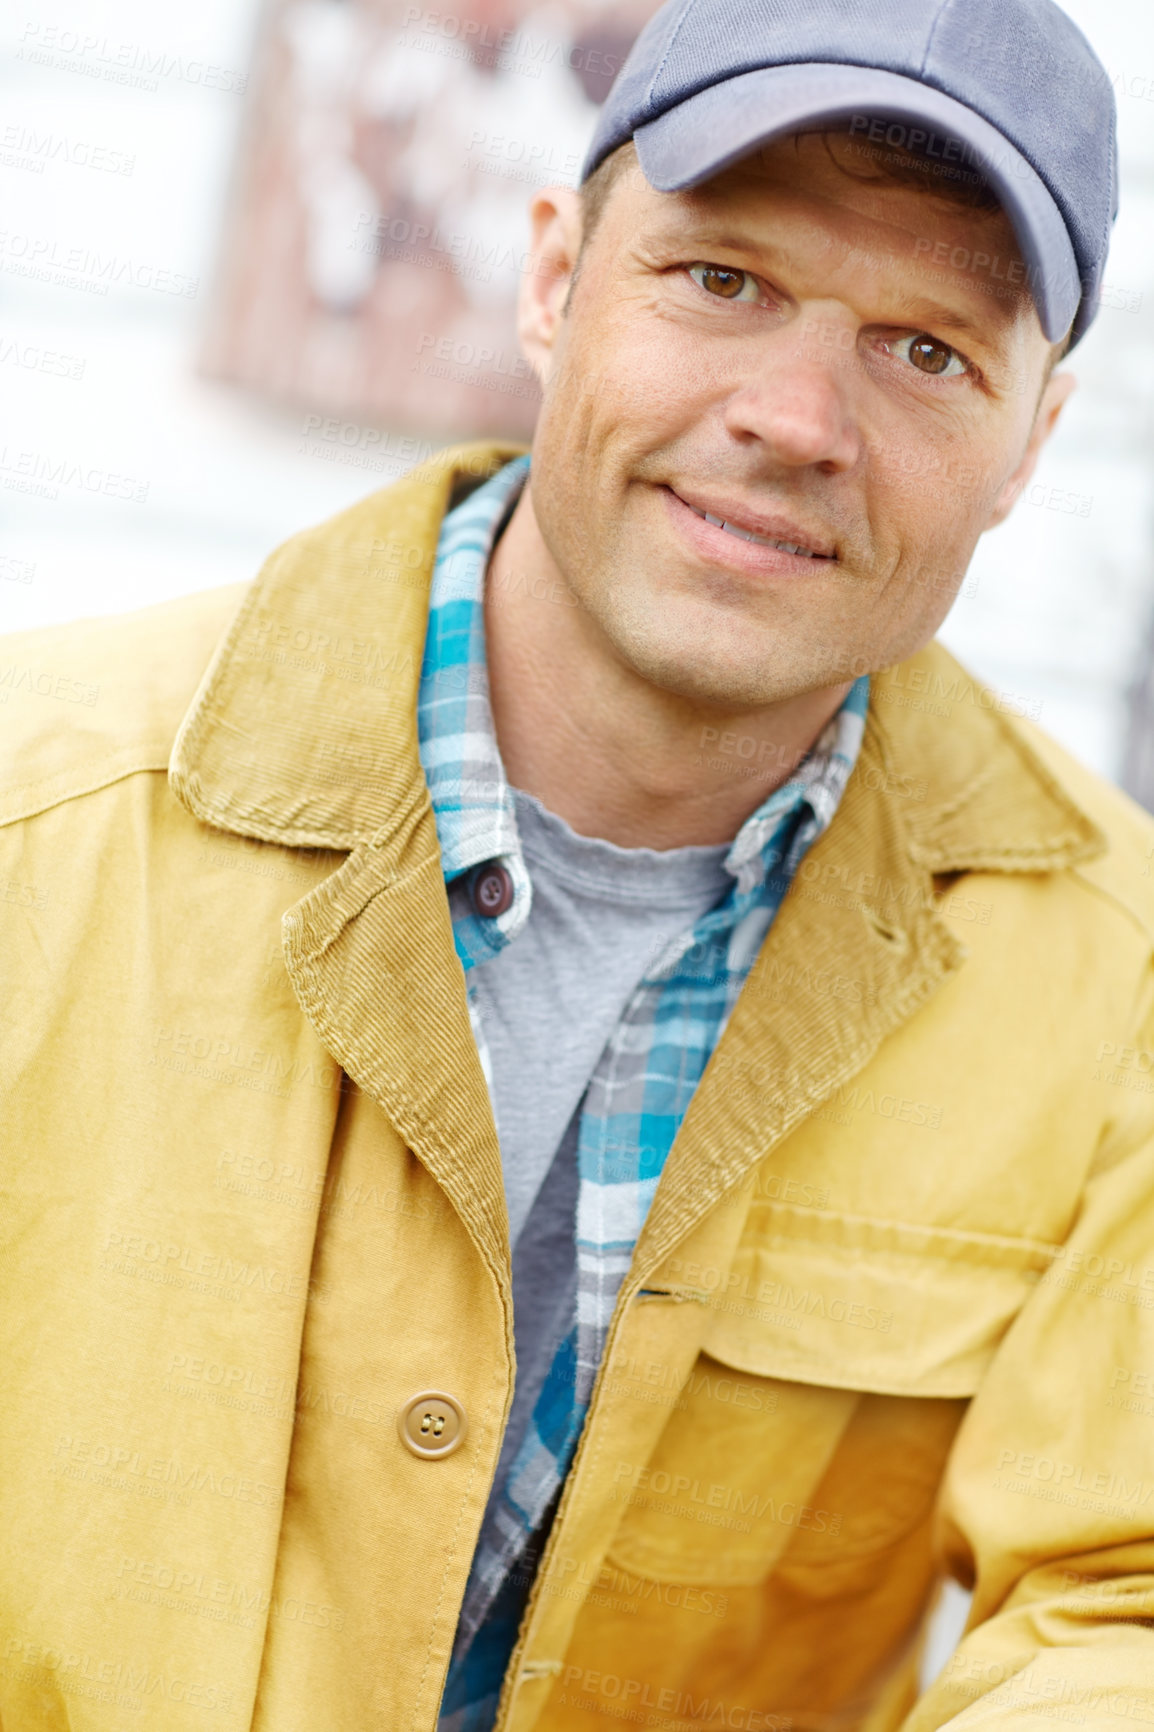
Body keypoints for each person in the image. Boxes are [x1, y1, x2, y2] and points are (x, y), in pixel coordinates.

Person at [2, 0, 1150, 1727]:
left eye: (926, 351)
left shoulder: (1112, 978)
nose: (794, 420)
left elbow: (1113, 1597)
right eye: (721, 281)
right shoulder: (43, 811)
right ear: (553, 283)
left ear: (1030, 445)